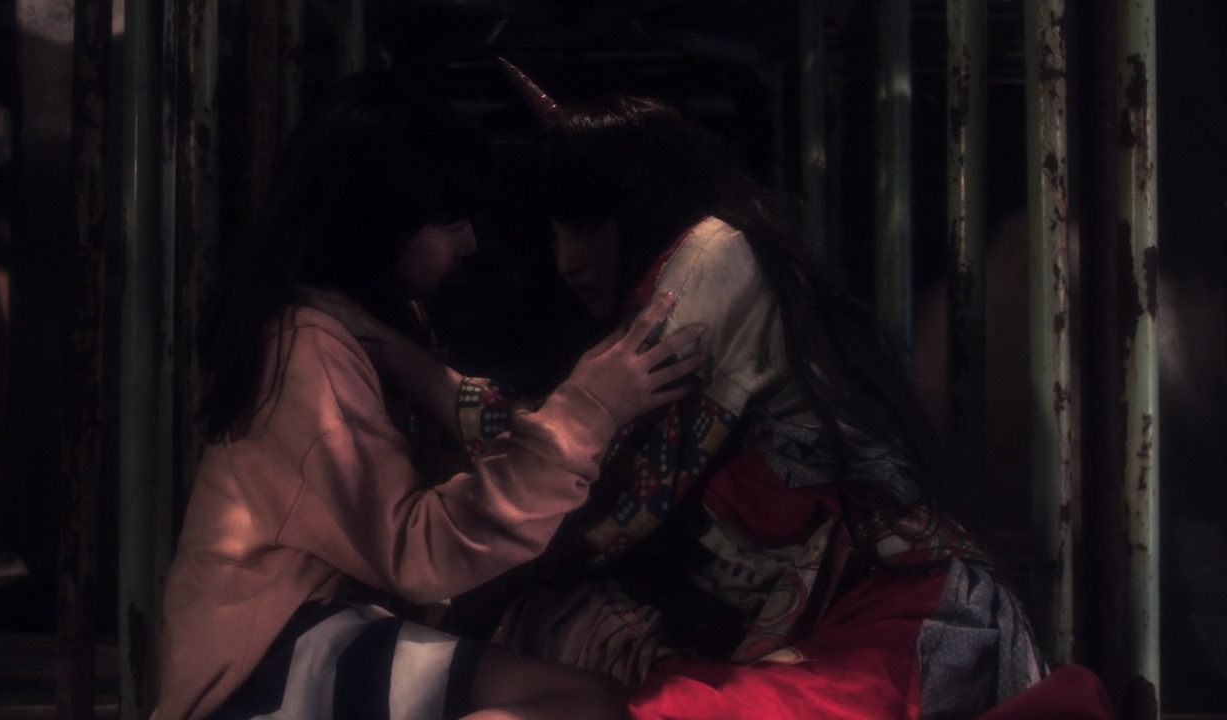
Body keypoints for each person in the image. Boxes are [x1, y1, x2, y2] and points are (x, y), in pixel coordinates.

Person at [415, 64, 1048, 719]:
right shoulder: (681, 288)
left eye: (585, 224)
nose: (566, 260)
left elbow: (610, 484)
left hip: (899, 604)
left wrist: (407, 368)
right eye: (555, 233)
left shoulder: (714, 260)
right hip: (833, 602)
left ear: (641, 201)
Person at [153, 69, 710, 720]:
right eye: (449, 220)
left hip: (316, 635)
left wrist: (414, 362)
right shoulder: (303, 347)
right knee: (581, 703)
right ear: (380, 219)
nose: (469, 242)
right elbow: (418, 552)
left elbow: (482, 451)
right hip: (268, 660)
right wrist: (588, 411)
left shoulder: (367, 329)